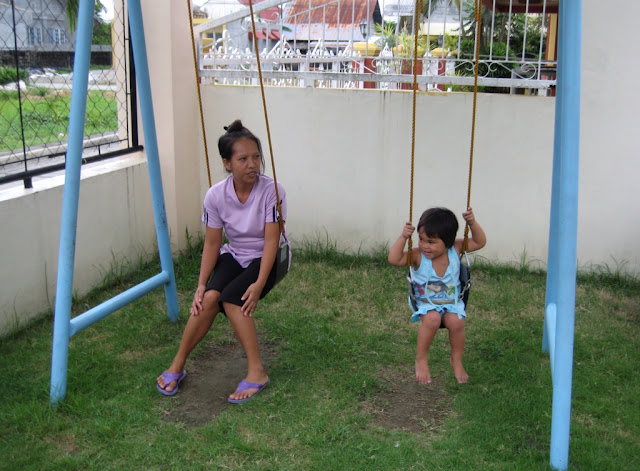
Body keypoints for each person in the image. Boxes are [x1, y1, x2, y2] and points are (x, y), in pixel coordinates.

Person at [156, 120, 289, 403]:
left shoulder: (272, 191)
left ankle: (257, 372)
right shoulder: (215, 195)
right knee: (208, 299)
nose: (252, 164)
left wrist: (259, 284)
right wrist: (201, 284)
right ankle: (177, 364)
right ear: (227, 163)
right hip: (235, 253)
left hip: (268, 258)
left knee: (233, 300)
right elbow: (212, 243)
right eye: (243, 159)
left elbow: (271, 241)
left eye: (256, 157)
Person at [388, 207, 486, 384]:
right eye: (421, 239)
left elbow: (479, 242)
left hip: (452, 303)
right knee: (432, 319)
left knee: (456, 321)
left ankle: (456, 360)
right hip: (425, 303)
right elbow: (394, 260)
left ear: (448, 242)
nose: (425, 245)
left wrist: (471, 223)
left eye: (431, 242)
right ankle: (421, 359)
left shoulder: (455, 249)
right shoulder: (417, 256)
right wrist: (403, 237)